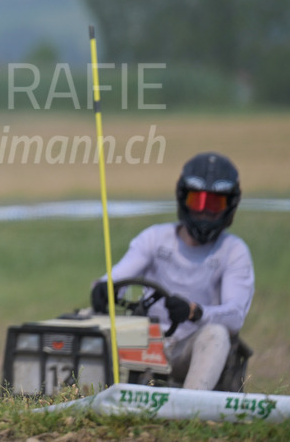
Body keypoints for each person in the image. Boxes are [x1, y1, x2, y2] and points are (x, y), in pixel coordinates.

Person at [90, 151, 255, 390]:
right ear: (182, 199)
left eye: (214, 204)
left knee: (217, 335)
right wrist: (102, 289)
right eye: (197, 202)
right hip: (145, 343)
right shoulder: (155, 238)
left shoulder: (233, 251)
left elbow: (235, 316)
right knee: (87, 319)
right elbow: (118, 277)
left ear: (230, 205)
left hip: (190, 349)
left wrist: (194, 312)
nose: (204, 212)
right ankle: (84, 394)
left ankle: (191, 407)